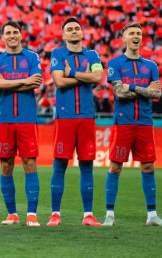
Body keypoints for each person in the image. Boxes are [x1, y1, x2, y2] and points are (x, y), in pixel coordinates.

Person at [103, 22, 162, 227]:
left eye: (139, 33)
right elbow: (119, 93)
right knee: (115, 167)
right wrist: (144, 89)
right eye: (131, 33)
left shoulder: (151, 66)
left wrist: (131, 85)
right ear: (123, 38)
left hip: (144, 122)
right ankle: (109, 215)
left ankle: (152, 216)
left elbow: (157, 93)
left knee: (148, 166)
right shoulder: (115, 63)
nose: (136, 36)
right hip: (123, 123)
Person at [47, 18, 103, 226]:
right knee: (59, 165)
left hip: (87, 117)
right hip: (65, 118)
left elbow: (98, 78)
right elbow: (59, 81)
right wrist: (84, 75)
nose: (73, 32)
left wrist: (71, 72)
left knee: (87, 166)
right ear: (63, 35)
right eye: (69, 29)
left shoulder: (93, 54)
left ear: (82, 33)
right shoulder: (57, 54)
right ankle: (55, 214)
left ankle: (88, 215)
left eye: (76, 29)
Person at [0, 21, 42, 227]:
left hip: (27, 119)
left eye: (15, 32)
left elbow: (36, 81)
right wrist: (24, 81)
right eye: (8, 33)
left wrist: (7, 83)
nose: (12, 35)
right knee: (6, 164)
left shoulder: (32, 57)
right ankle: (12, 214)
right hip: (5, 119)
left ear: (21, 35)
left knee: (30, 163)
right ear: (2, 38)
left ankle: (32, 214)